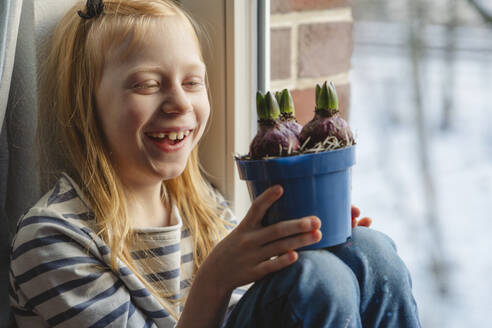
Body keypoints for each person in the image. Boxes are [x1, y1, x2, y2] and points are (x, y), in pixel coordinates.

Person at [8, 0, 421, 327]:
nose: (180, 102)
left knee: (368, 251)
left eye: (192, 82)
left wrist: (301, 240)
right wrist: (216, 279)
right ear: (87, 104)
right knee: (319, 281)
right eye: (148, 85)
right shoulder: (52, 239)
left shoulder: (200, 205)